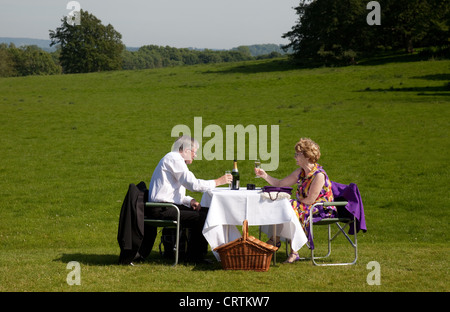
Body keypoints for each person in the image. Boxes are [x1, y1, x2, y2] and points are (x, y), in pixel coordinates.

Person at [147, 135, 232, 263]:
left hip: (165, 206)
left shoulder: (173, 159)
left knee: (206, 212)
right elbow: (194, 185)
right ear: (186, 150)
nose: (195, 155)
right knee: (203, 217)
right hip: (162, 209)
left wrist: (190, 201)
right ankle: (196, 257)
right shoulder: (174, 159)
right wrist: (218, 181)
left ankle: (201, 253)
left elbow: (174, 193)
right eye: (194, 152)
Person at [255, 138, 335, 263]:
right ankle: (277, 241)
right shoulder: (301, 172)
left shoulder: (319, 175)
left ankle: (289, 249)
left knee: (290, 206)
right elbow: (280, 183)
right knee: (283, 204)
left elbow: (310, 200)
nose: (295, 157)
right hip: (304, 205)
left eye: (297, 154)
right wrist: (264, 175)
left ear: (307, 156)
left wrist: (297, 200)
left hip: (321, 208)